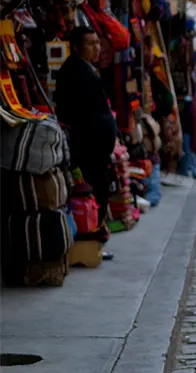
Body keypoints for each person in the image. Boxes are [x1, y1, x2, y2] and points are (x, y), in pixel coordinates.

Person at [56, 26, 117, 255]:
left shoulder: (86, 69)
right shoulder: (74, 70)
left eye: (97, 43)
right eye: (91, 43)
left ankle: (94, 242)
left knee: (97, 192)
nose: (97, 48)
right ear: (76, 47)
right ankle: (90, 242)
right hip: (87, 147)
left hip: (94, 147)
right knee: (92, 194)